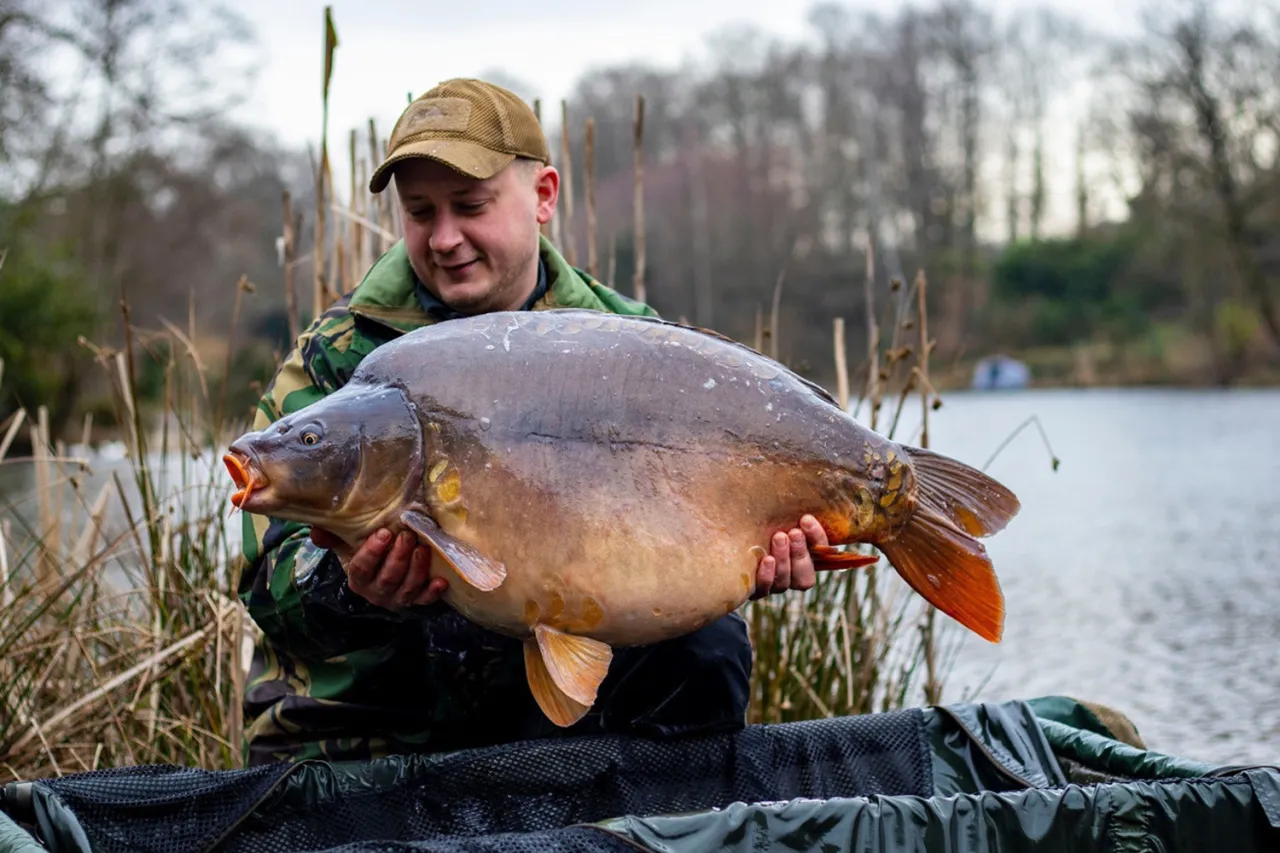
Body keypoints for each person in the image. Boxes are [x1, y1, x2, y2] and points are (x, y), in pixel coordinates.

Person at [236, 78, 831, 766]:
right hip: (376, 726)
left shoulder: (630, 342)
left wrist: (750, 554)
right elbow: (263, 586)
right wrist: (351, 585)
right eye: (420, 211)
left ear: (543, 196)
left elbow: (692, 538)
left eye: (470, 206)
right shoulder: (338, 357)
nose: (445, 236)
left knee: (709, 647)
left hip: (553, 712)